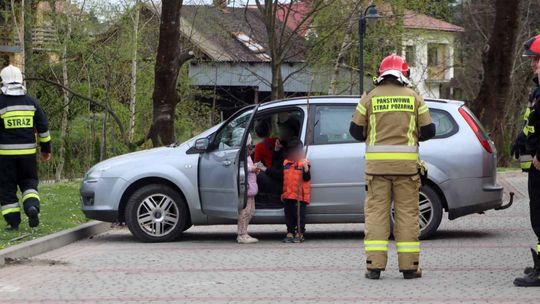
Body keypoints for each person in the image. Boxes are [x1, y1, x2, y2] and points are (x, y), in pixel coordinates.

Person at [349, 54, 436, 280]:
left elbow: (355, 131)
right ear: (404, 74)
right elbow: (429, 131)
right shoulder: (414, 98)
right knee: (407, 215)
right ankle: (409, 267)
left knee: (376, 215)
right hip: (407, 170)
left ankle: (374, 266)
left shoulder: (369, 97)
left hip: (376, 171)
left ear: (381, 74)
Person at [0, 65, 52, 230]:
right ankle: (32, 207)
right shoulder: (32, 102)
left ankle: (13, 222)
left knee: (7, 187)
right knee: (29, 183)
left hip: (4, 155)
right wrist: (45, 150)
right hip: (28, 155)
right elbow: (43, 128)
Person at [514, 34, 540, 287]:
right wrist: (521, 139)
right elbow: (534, 123)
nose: (533, 63)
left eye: (537, 59)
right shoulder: (537, 90)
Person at [281, 139, 311, 243]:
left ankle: (300, 232)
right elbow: (284, 180)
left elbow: (307, 178)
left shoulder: (304, 162)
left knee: (300, 215)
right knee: (289, 215)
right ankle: (290, 232)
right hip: (288, 195)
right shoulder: (286, 163)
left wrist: (306, 168)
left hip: (300, 196)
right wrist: (283, 193)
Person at [237, 134, 259, 244]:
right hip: (247, 188)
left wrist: (254, 167)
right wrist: (252, 168)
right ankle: (241, 234)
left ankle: (244, 231)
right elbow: (242, 167)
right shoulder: (242, 155)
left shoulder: (247, 155)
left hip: (251, 188)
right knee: (245, 212)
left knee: (251, 211)